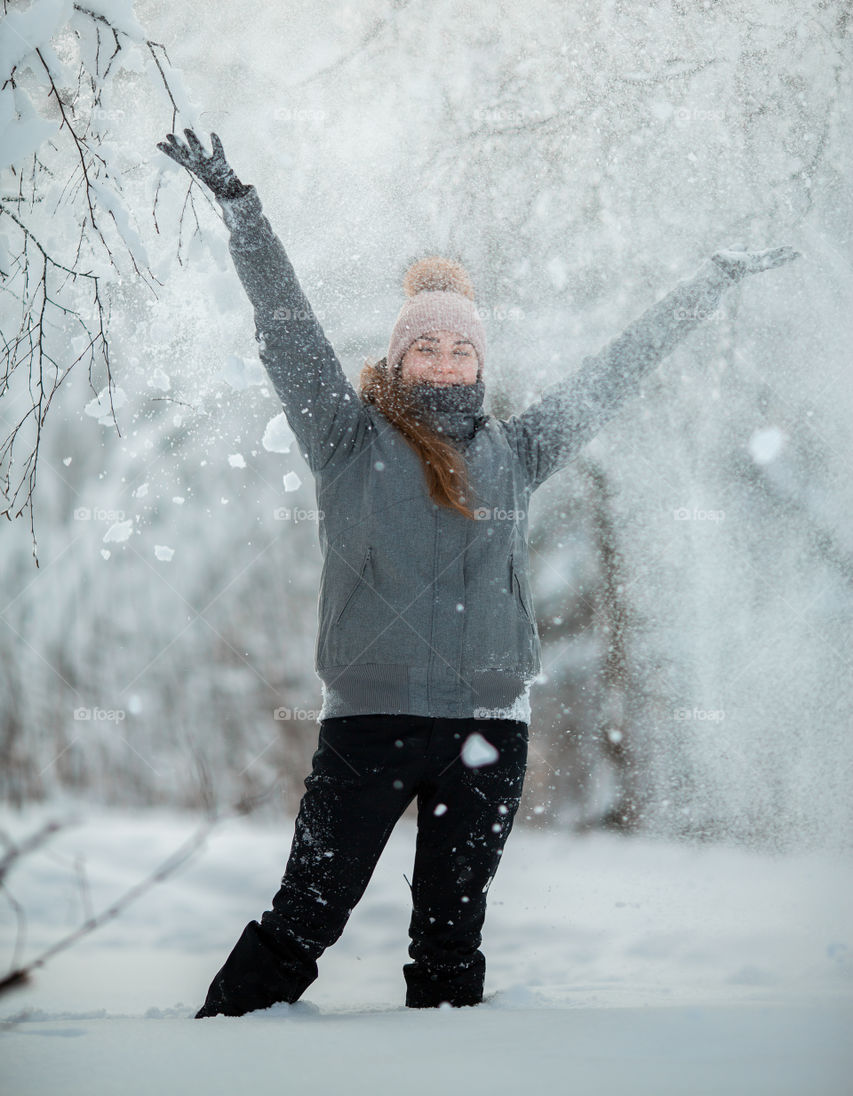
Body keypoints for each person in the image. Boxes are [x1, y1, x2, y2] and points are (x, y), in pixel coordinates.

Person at [157, 128, 800, 1015]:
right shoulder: (347, 441)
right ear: (398, 357)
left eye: (462, 351)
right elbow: (287, 331)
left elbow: (613, 375)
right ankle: (212, 1047)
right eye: (429, 348)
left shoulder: (515, 452)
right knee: (309, 910)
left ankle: (455, 1063)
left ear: (479, 362)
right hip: (371, 721)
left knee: (452, 928)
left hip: (489, 729)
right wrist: (243, 209)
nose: (447, 362)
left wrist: (707, 284)